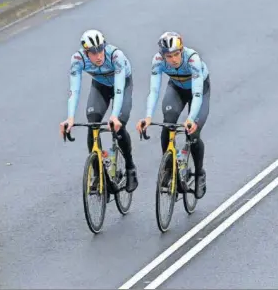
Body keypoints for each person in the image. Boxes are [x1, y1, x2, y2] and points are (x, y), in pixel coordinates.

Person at [59, 29, 139, 193]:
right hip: (100, 86)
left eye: (100, 49)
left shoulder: (116, 56)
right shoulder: (77, 59)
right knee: (93, 123)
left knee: (119, 125)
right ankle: (97, 173)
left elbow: (118, 90)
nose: (99, 56)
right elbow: (74, 90)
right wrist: (70, 118)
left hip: (121, 85)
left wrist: (114, 116)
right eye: (93, 53)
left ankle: (130, 167)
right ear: (85, 52)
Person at [136, 31, 210, 199]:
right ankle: (169, 168)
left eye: (176, 54)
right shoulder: (157, 61)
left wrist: (190, 119)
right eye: (169, 56)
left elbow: (197, 94)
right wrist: (147, 116)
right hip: (176, 88)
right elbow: (154, 90)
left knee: (193, 132)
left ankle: (199, 174)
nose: (174, 59)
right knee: (168, 122)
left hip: (198, 91)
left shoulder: (193, 59)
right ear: (163, 56)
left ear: (181, 51)